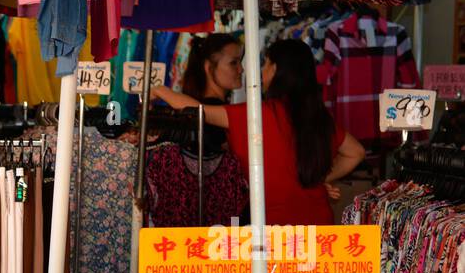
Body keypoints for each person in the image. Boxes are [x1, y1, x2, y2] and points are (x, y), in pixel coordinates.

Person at [152, 38, 365, 226]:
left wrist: (159, 89)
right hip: (319, 225)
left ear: (276, 69)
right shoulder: (317, 115)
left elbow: (199, 111)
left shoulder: (258, 113)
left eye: (265, 63)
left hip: (275, 228)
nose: (260, 71)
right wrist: (315, 179)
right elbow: (356, 152)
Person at [178, 34, 243, 151]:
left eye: (240, 62)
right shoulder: (213, 112)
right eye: (233, 63)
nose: (241, 69)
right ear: (209, 67)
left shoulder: (198, 107)